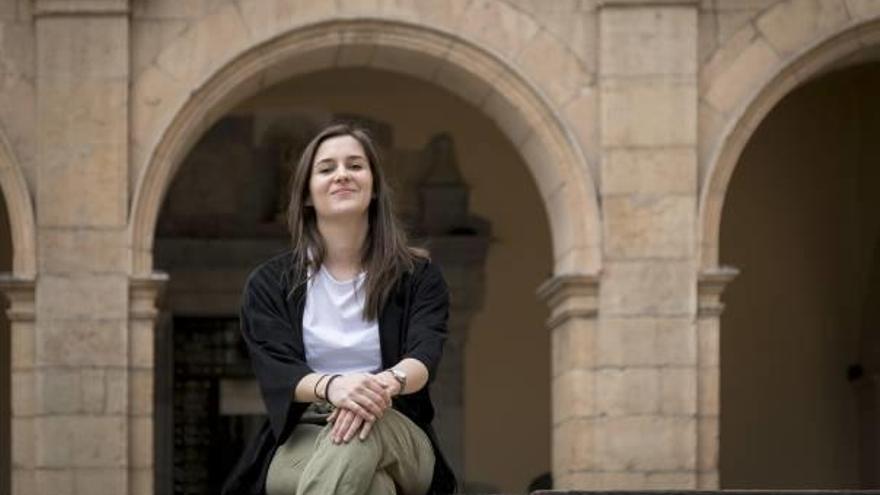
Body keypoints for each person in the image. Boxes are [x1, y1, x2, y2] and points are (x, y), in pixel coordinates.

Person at [222, 123, 457, 495]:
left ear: (375, 185)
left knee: (365, 429)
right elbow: (278, 368)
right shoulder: (269, 283)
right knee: (375, 486)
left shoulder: (417, 277)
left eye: (355, 165)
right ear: (307, 195)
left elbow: (423, 355)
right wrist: (335, 388)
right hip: (304, 432)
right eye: (327, 168)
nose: (342, 175)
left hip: (399, 429)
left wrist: (371, 391)